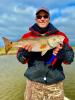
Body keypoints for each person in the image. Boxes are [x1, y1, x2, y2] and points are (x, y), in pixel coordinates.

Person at [17, 7, 74, 100]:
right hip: (33, 84)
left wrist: (63, 53)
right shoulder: (27, 36)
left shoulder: (60, 35)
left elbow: (69, 60)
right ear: (36, 19)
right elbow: (21, 59)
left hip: (55, 84)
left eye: (45, 16)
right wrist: (25, 53)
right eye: (39, 16)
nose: (42, 19)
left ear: (49, 18)